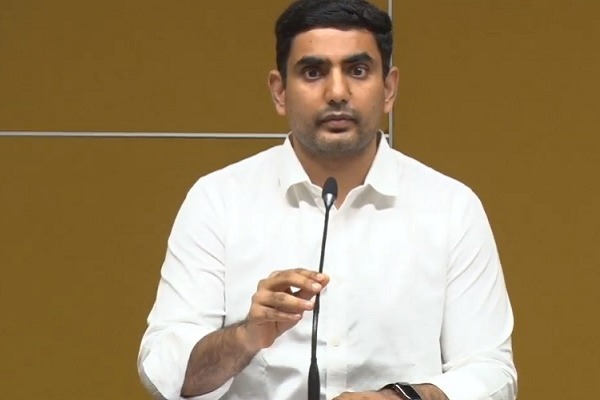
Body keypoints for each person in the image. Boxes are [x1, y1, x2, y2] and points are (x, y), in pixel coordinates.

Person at [137, 0, 517, 399]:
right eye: (313, 72)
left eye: (358, 70)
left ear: (388, 89)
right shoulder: (218, 201)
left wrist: (399, 398)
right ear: (280, 92)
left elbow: (492, 374)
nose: (337, 93)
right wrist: (246, 337)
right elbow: (166, 373)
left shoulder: (451, 208)